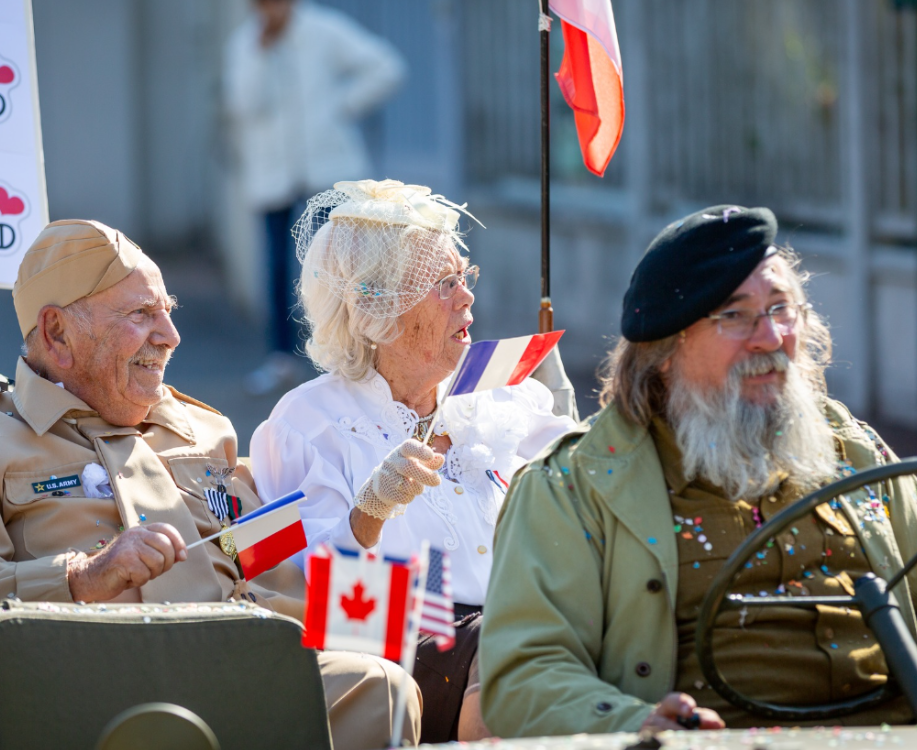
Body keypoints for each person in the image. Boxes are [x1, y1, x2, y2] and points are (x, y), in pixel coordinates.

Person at [0, 219, 420, 750]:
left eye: (167, 312)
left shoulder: (205, 430)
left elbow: (259, 564)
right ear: (56, 333)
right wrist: (84, 577)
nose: (171, 336)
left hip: (235, 667)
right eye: (141, 315)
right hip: (85, 688)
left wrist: (365, 536)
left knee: (383, 689)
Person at [479, 205, 917, 737]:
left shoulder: (857, 454)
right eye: (734, 316)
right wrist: (638, 724)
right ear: (665, 350)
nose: (772, 337)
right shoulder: (571, 489)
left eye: (782, 308)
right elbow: (524, 679)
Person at [250, 179, 577, 742]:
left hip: (518, 621)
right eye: (444, 284)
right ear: (380, 308)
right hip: (397, 642)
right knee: (520, 645)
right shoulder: (307, 421)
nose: (467, 298)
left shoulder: (493, 390)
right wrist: (369, 512)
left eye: (463, 279)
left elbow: (585, 473)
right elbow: (285, 577)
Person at [222, 0, 406, 394]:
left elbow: (386, 67)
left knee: (336, 264)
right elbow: (242, 104)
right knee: (276, 267)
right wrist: (262, 50)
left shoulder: (325, 29)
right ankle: (281, 359)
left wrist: (341, 107)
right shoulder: (246, 43)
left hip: (328, 170)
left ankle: (346, 355)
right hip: (272, 174)